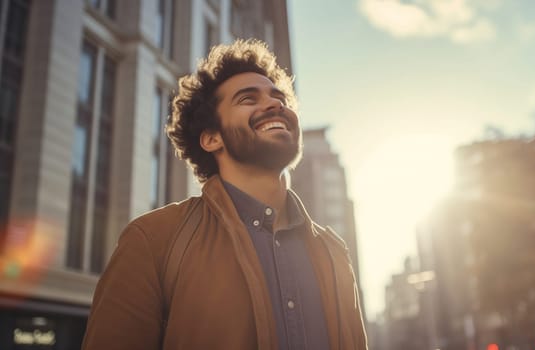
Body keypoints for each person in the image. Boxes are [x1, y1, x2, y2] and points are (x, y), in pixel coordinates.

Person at [82, 39, 368, 350]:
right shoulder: (153, 241)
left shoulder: (334, 251)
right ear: (211, 139)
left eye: (279, 97)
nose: (276, 105)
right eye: (248, 99)